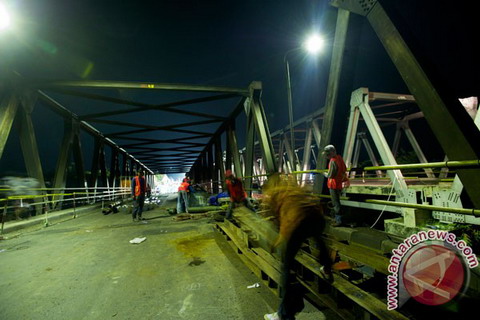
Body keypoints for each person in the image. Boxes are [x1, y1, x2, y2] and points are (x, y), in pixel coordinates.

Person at [263, 175, 333, 320]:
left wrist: (276, 241)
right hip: (316, 218)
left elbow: (286, 221)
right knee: (318, 239)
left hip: (297, 224)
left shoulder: (275, 196)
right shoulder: (292, 188)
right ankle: (326, 266)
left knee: (286, 268)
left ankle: (283, 314)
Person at [322, 144, 348, 227]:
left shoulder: (333, 161)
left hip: (333, 185)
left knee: (335, 203)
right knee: (338, 202)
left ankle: (338, 221)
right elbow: (344, 169)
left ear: (332, 152)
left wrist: (323, 173)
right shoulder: (339, 158)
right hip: (339, 183)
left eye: (328, 154)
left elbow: (330, 175)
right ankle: (339, 218)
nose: (327, 155)